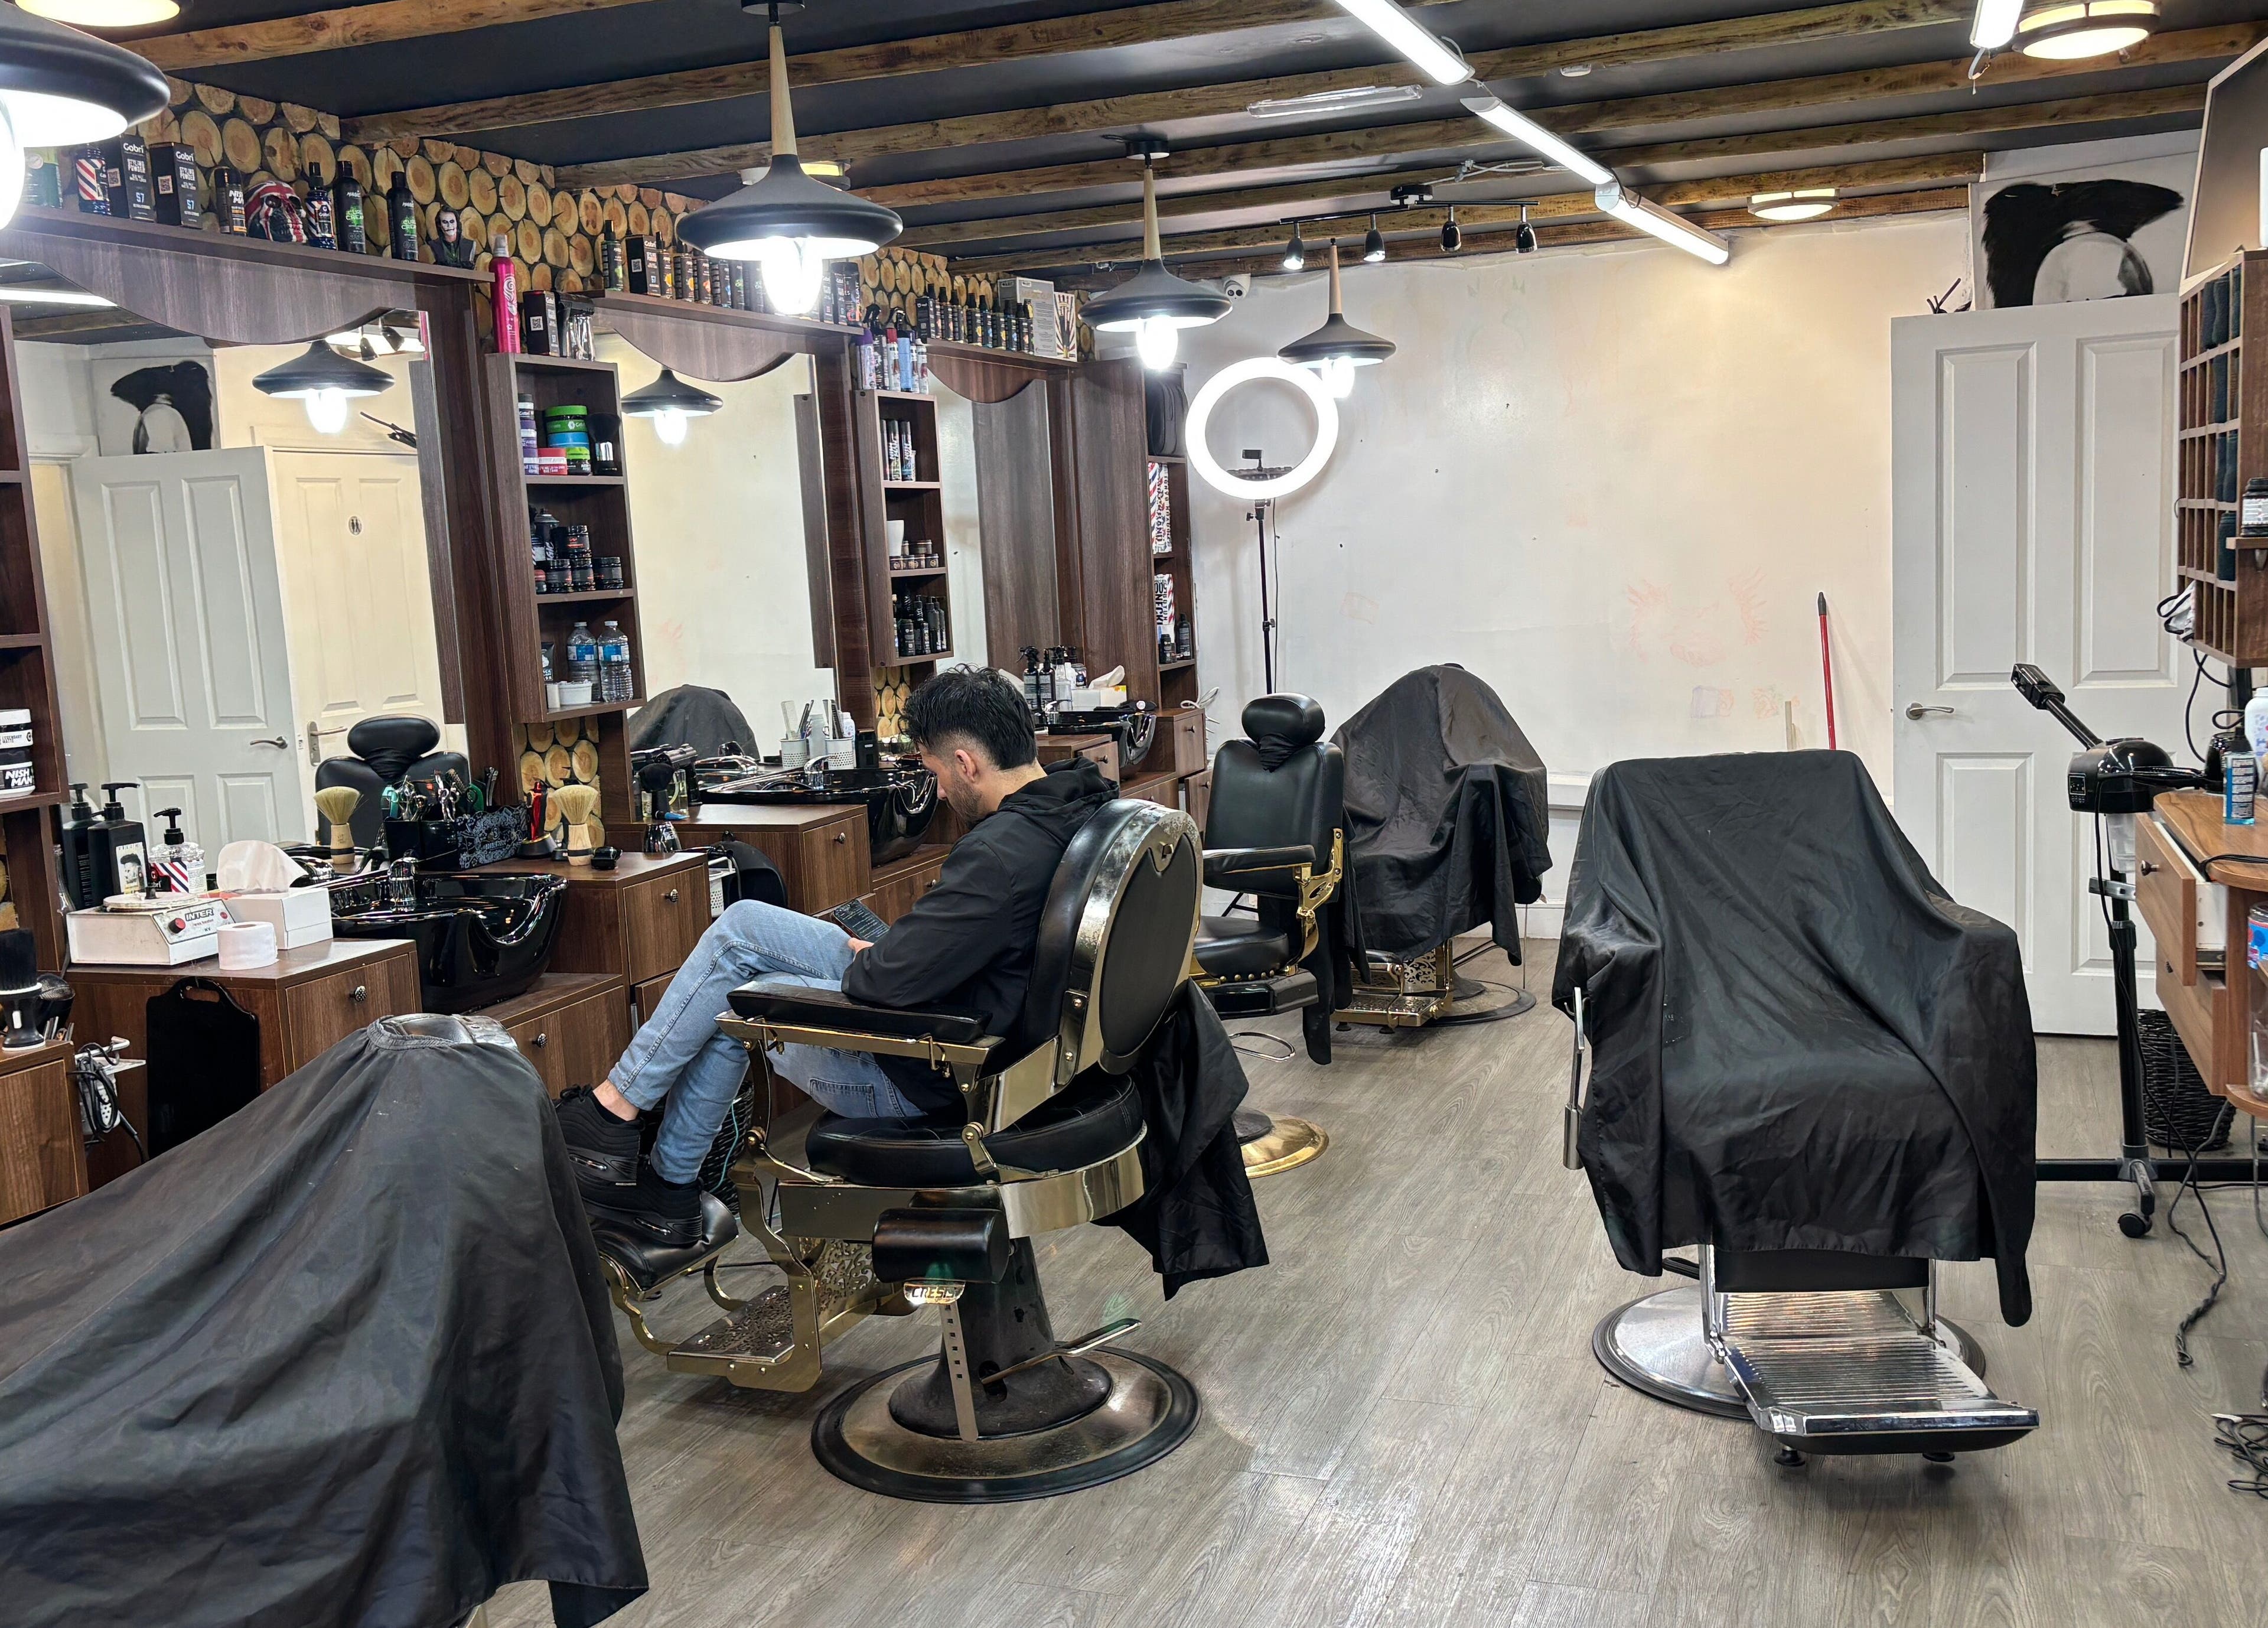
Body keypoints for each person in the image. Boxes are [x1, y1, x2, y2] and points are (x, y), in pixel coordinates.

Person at [554, 667, 1116, 1246]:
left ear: (967, 763)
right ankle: (644, 1155)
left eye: (937, 775)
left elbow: (882, 983)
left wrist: (890, 959)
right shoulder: (1084, 803)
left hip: (934, 1064)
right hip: (998, 1035)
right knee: (742, 933)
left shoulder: (998, 854)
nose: (942, 794)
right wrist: (905, 953)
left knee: (735, 990)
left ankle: (630, 1138)